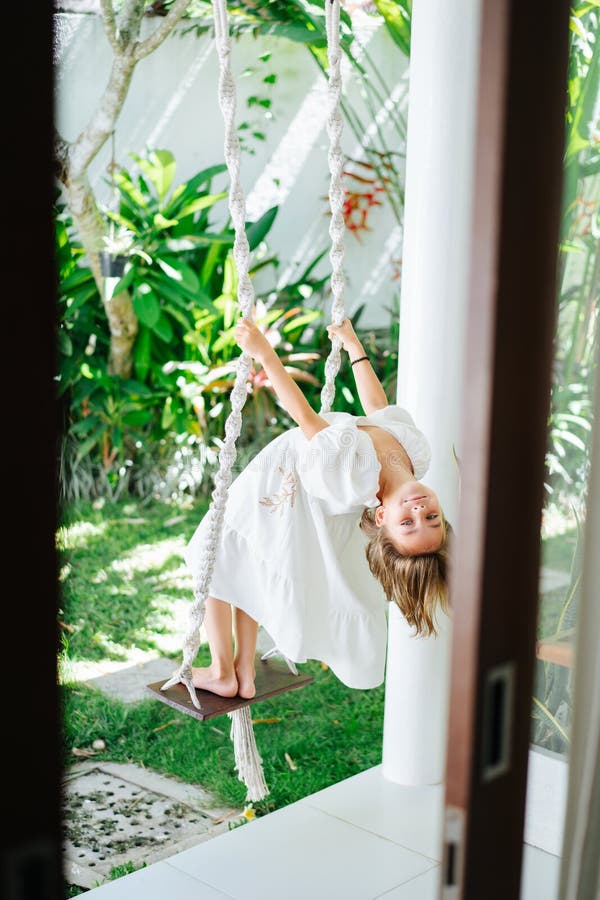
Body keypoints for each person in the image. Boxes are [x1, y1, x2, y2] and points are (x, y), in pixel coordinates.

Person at [182, 317, 452, 700]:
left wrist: (263, 352)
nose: (419, 508)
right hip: (286, 498)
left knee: (212, 554)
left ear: (380, 517)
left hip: (273, 482)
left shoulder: (358, 475)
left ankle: (222, 668)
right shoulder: (416, 458)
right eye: (431, 518)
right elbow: (379, 410)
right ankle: (242, 670)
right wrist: (355, 348)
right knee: (248, 565)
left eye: (407, 522)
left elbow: (304, 415)